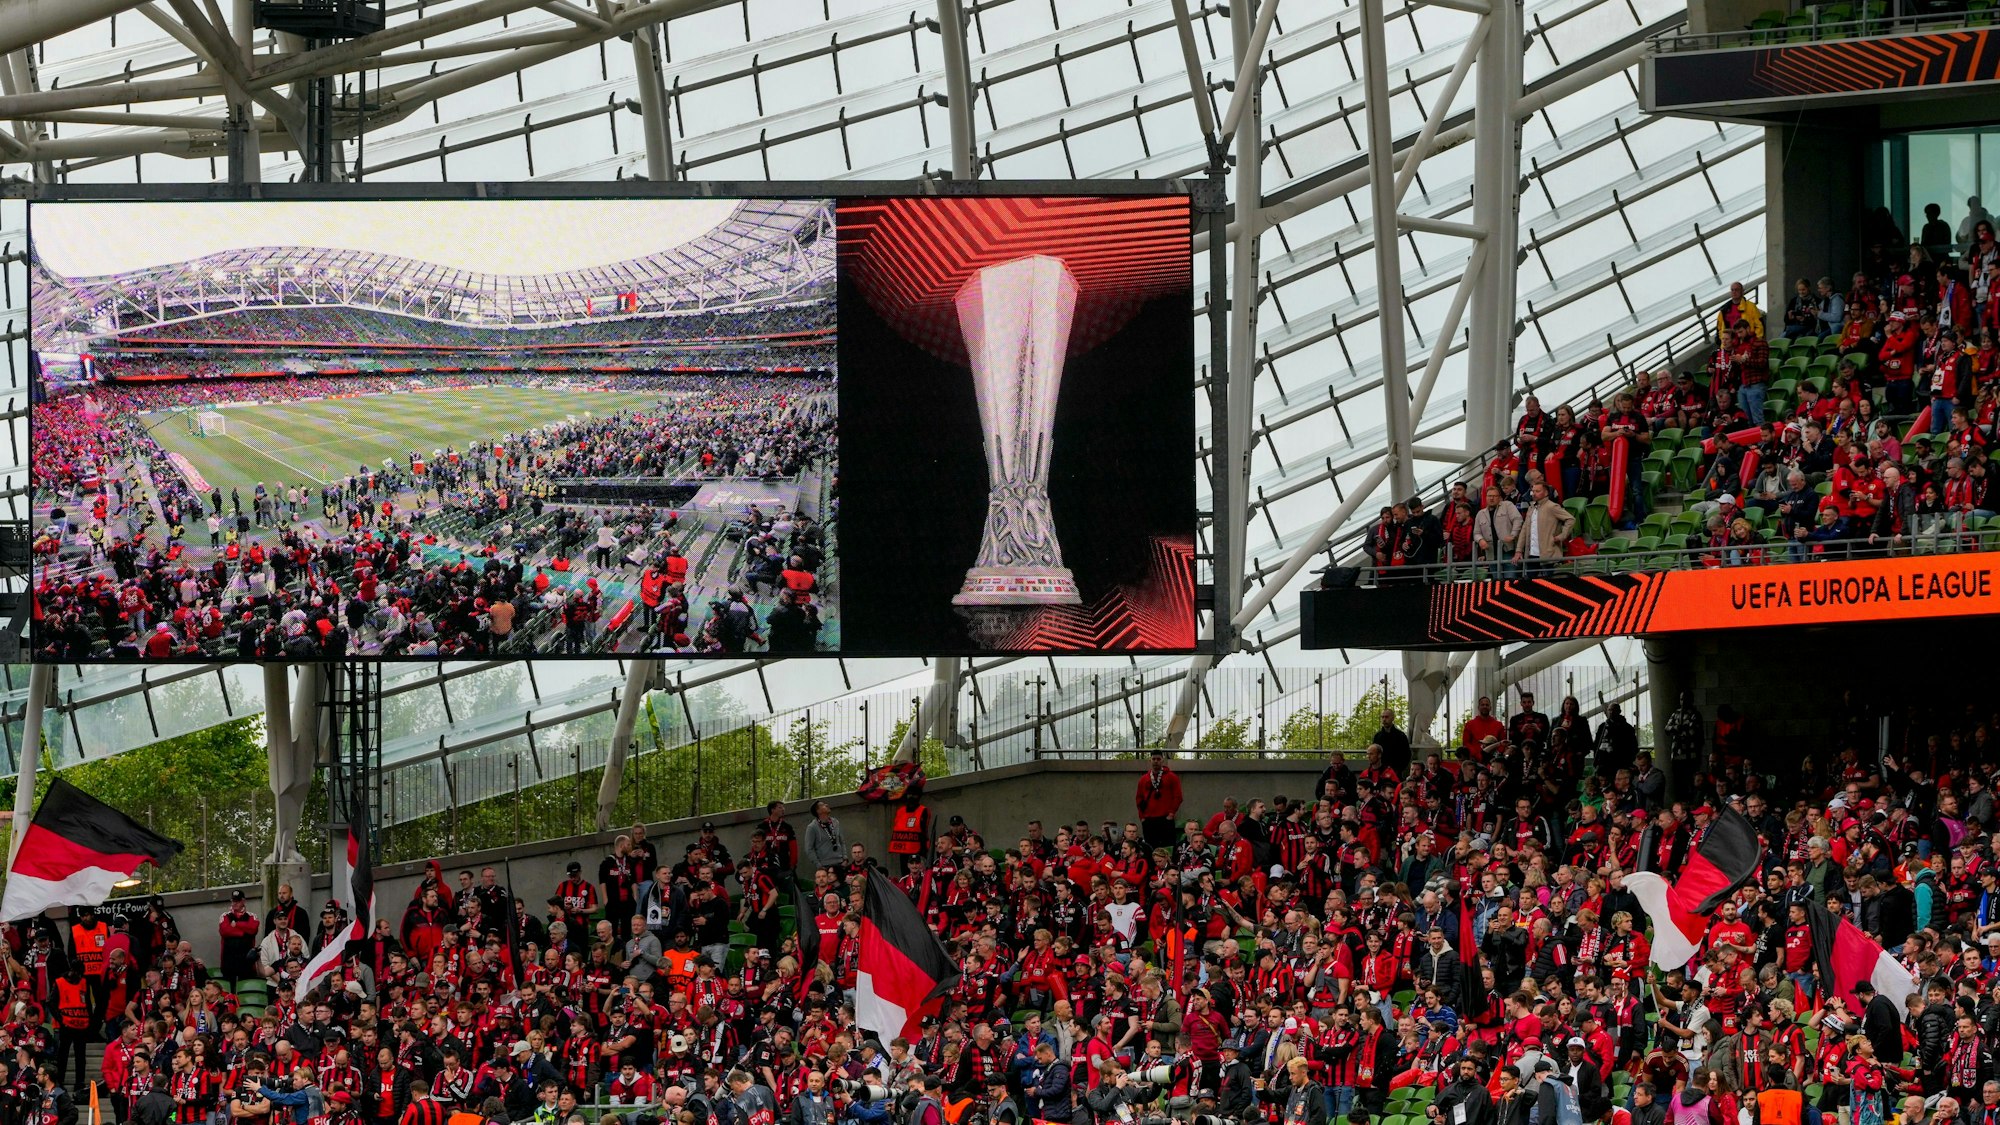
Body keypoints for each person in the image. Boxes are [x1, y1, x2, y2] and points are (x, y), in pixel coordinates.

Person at [1511, 478, 1575, 575]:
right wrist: (1519, 550)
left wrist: (1562, 536)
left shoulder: (1552, 506)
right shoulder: (1531, 508)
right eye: (1533, 491)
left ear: (1546, 493)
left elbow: (1570, 519)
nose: (1534, 494)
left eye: (1537, 491)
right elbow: (1524, 530)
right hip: (1531, 554)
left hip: (1548, 553)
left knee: (1549, 584)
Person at [1135, 751, 1183, 851]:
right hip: (1149, 820)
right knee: (1150, 849)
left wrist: (1171, 814)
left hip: (1165, 819)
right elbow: (1139, 799)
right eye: (1154, 759)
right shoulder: (1143, 779)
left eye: (1158, 759)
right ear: (1150, 760)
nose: (1156, 761)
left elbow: (1178, 797)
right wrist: (1142, 817)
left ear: (1163, 761)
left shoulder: (1171, 777)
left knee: (1168, 848)